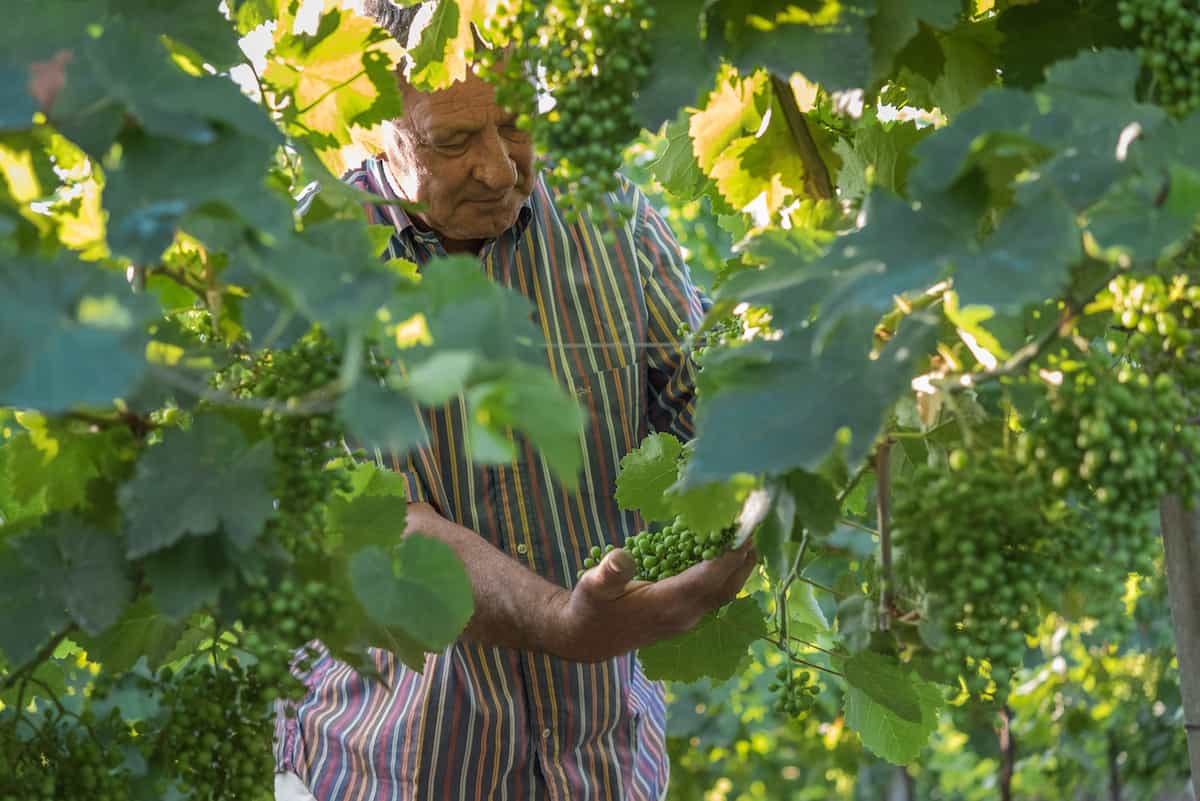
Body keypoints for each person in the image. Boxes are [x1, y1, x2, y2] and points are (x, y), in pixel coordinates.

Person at [274, 4, 758, 800]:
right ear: (369, 125)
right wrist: (558, 622)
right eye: (454, 141)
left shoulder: (613, 217)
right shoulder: (299, 268)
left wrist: (758, 475)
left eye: (516, 124)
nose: (500, 169)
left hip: (603, 769)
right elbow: (368, 524)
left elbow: (714, 411)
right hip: (386, 771)